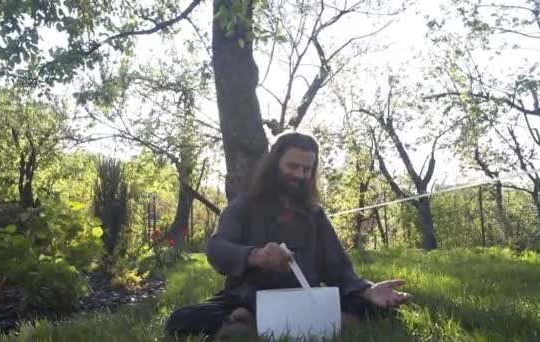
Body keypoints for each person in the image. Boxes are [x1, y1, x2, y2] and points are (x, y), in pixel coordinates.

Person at [165, 131, 411, 340]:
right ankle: (297, 323)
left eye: (307, 169)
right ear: (275, 165)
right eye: (292, 166)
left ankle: (253, 327)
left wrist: (368, 290)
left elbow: (340, 270)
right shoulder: (244, 206)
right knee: (180, 320)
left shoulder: (315, 214)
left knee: (382, 309)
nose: (300, 175)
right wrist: (256, 256)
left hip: (306, 299)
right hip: (248, 298)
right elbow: (217, 248)